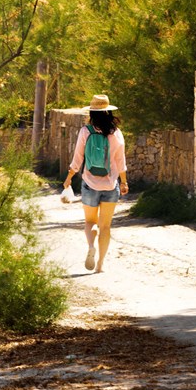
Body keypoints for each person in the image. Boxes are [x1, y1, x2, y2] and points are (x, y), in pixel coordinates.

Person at [62, 94, 129, 273]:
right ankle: (100, 265)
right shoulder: (116, 133)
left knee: (90, 221)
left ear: (91, 112)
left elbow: (78, 158)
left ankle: (91, 245)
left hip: (90, 184)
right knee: (105, 226)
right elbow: (120, 160)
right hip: (110, 185)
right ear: (108, 111)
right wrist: (123, 181)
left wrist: (69, 177)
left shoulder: (86, 131)